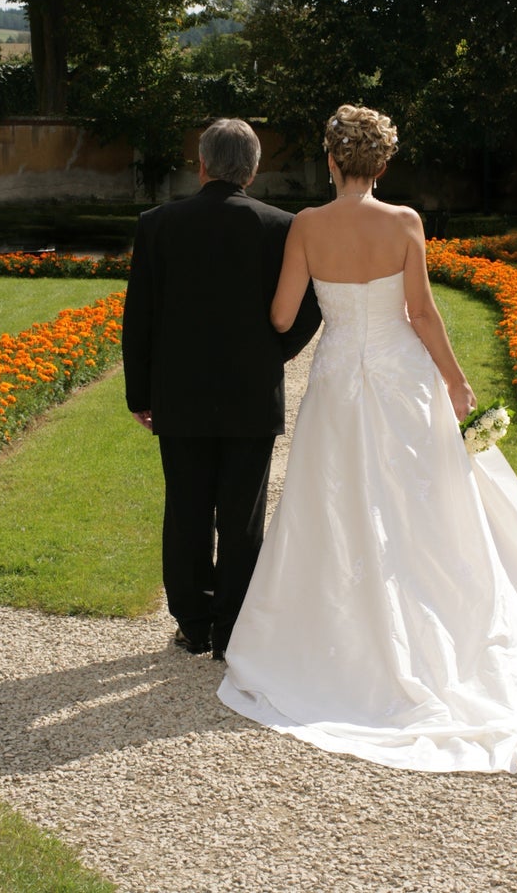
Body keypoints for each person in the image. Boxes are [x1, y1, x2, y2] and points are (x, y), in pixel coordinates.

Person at [217, 104, 517, 773]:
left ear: (331, 160)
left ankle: (333, 635)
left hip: (338, 380)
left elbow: (281, 315)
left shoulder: (306, 225)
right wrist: (455, 383)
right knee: (419, 503)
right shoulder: (404, 223)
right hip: (401, 378)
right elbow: (420, 313)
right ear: (383, 164)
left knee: (332, 503)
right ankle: (434, 632)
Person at [122, 117, 321, 661]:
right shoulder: (281, 226)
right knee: (242, 516)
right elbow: (308, 309)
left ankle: (194, 622)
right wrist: (269, 357)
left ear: (201, 164)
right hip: (251, 394)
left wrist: (140, 394)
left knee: (186, 509)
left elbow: (138, 315)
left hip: (179, 394)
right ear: (252, 170)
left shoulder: (158, 224)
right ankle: (233, 628)